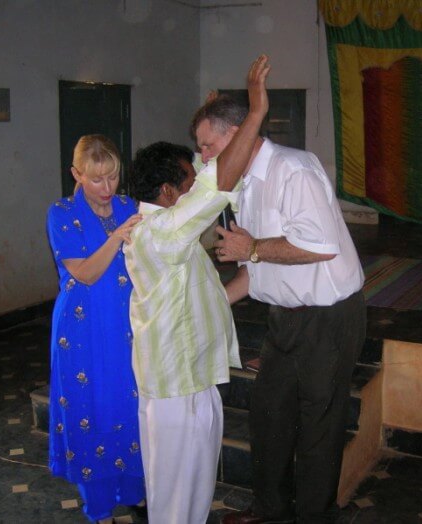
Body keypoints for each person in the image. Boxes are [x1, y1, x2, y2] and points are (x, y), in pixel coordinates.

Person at [196, 91, 367, 523]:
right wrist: (209, 304)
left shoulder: (293, 169)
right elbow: (257, 269)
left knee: (318, 426)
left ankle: (314, 516)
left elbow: (320, 246)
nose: (204, 157)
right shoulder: (245, 183)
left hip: (328, 319)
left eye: (208, 146)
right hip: (284, 319)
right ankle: (270, 510)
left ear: (238, 133)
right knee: (268, 415)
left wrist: (252, 247)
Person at [124, 55, 269, 524]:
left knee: (197, 491)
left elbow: (206, 298)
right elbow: (216, 186)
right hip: (173, 387)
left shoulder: (175, 238)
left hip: (197, 376)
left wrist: (262, 269)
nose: (202, 169)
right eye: (190, 176)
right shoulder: (158, 234)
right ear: (169, 192)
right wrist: (254, 114)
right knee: (173, 498)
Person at [46, 135, 145, 523]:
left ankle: (135, 491)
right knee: (90, 406)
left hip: (126, 322)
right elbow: (85, 273)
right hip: (82, 327)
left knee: (129, 402)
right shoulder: (61, 213)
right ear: (77, 174)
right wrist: (116, 238)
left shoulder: (129, 206)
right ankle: (99, 505)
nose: (107, 188)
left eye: (113, 177)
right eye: (96, 179)